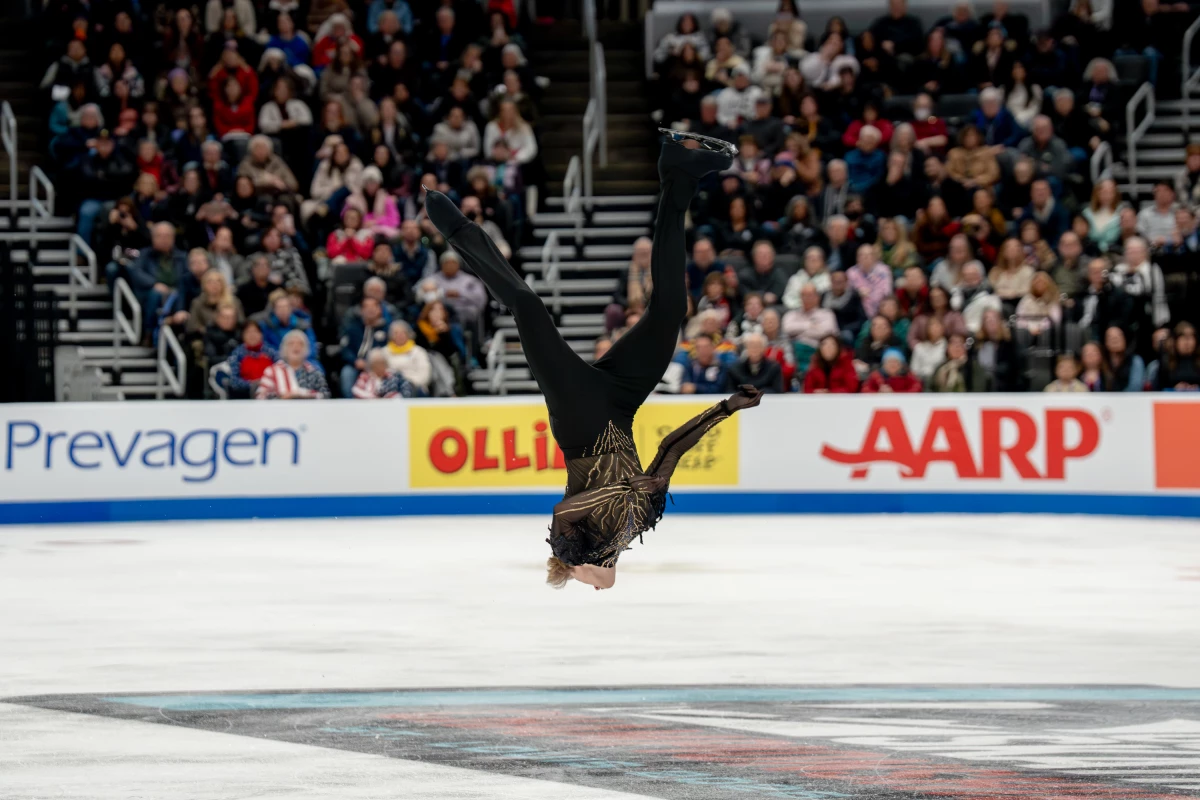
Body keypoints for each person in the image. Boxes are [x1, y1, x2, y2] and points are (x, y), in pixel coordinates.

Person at [424, 135, 762, 591]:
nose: (602, 587)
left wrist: (619, 492)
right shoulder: (641, 521)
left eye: (590, 584)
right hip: (621, 405)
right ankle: (679, 176)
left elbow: (564, 509)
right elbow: (671, 450)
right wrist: (726, 409)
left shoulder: (572, 544)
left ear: (578, 573)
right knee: (669, 313)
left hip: (580, 420)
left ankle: (457, 231)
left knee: (527, 307)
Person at [256, 329, 331, 400]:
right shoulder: (271, 372)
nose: (296, 347)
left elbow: (326, 396)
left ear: (306, 350)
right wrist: (283, 398)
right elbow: (261, 397)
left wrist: (303, 395)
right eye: (291, 343)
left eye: (300, 344)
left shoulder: (315, 372)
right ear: (284, 349)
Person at [352, 348, 416, 398]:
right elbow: (357, 391)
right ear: (371, 365)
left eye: (382, 363)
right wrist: (377, 399)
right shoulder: (365, 377)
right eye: (376, 364)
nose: (379, 367)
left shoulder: (394, 376)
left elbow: (405, 390)